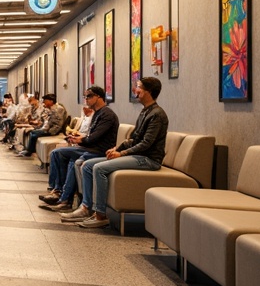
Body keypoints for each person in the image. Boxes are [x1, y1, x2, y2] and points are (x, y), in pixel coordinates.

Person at [62, 77, 169, 228]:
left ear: (148, 92)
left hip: (148, 159)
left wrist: (122, 154)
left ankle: (100, 215)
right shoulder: (146, 111)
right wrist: (117, 148)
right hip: (138, 155)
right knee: (86, 165)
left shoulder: (157, 114)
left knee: (99, 168)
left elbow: (146, 144)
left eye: (138, 87)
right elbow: (134, 138)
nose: (135, 90)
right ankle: (86, 207)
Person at [40, 87, 118, 211]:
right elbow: (92, 136)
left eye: (89, 96)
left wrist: (80, 140)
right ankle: (57, 191)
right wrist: (79, 137)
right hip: (91, 147)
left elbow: (94, 138)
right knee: (56, 153)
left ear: (98, 97)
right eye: (85, 96)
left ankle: (65, 199)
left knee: (71, 158)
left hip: (99, 151)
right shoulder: (97, 113)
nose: (86, 99)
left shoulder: (107, 114)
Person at [17, 94, 67, 159]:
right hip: (48, 128)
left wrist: (48, 131)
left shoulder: (59, 109)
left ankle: (29, 151)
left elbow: (57, 124)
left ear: (51, 101)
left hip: (53, 130)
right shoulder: (51, 108)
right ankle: (29, 150)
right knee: (32, 132)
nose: (44, 102)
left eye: (45, 101)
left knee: (34, 135)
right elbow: (47, 121)